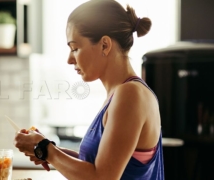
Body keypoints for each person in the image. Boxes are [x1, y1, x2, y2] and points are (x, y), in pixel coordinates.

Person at [14, 0, 164, 179]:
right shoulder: (119, 94)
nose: (70, 59)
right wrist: (47, 148)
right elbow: (100, 165)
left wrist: (45, 150)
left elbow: (102, 177)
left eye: (75, 48)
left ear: (105, 45)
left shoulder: (130, 95)